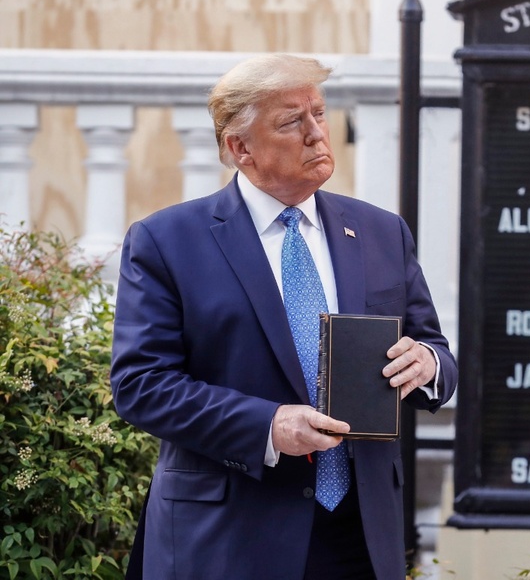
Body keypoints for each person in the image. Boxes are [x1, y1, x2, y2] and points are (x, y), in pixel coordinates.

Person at [110, 53, 458, 579]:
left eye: (320, 113)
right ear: (239, 148)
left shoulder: (382, 232)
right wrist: (267, 425)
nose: (318, 134)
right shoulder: (166, 241)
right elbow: (141, 385)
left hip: (361, 536)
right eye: (293, 121)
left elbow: (437, 350)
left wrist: (427, 364)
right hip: (229, 538)